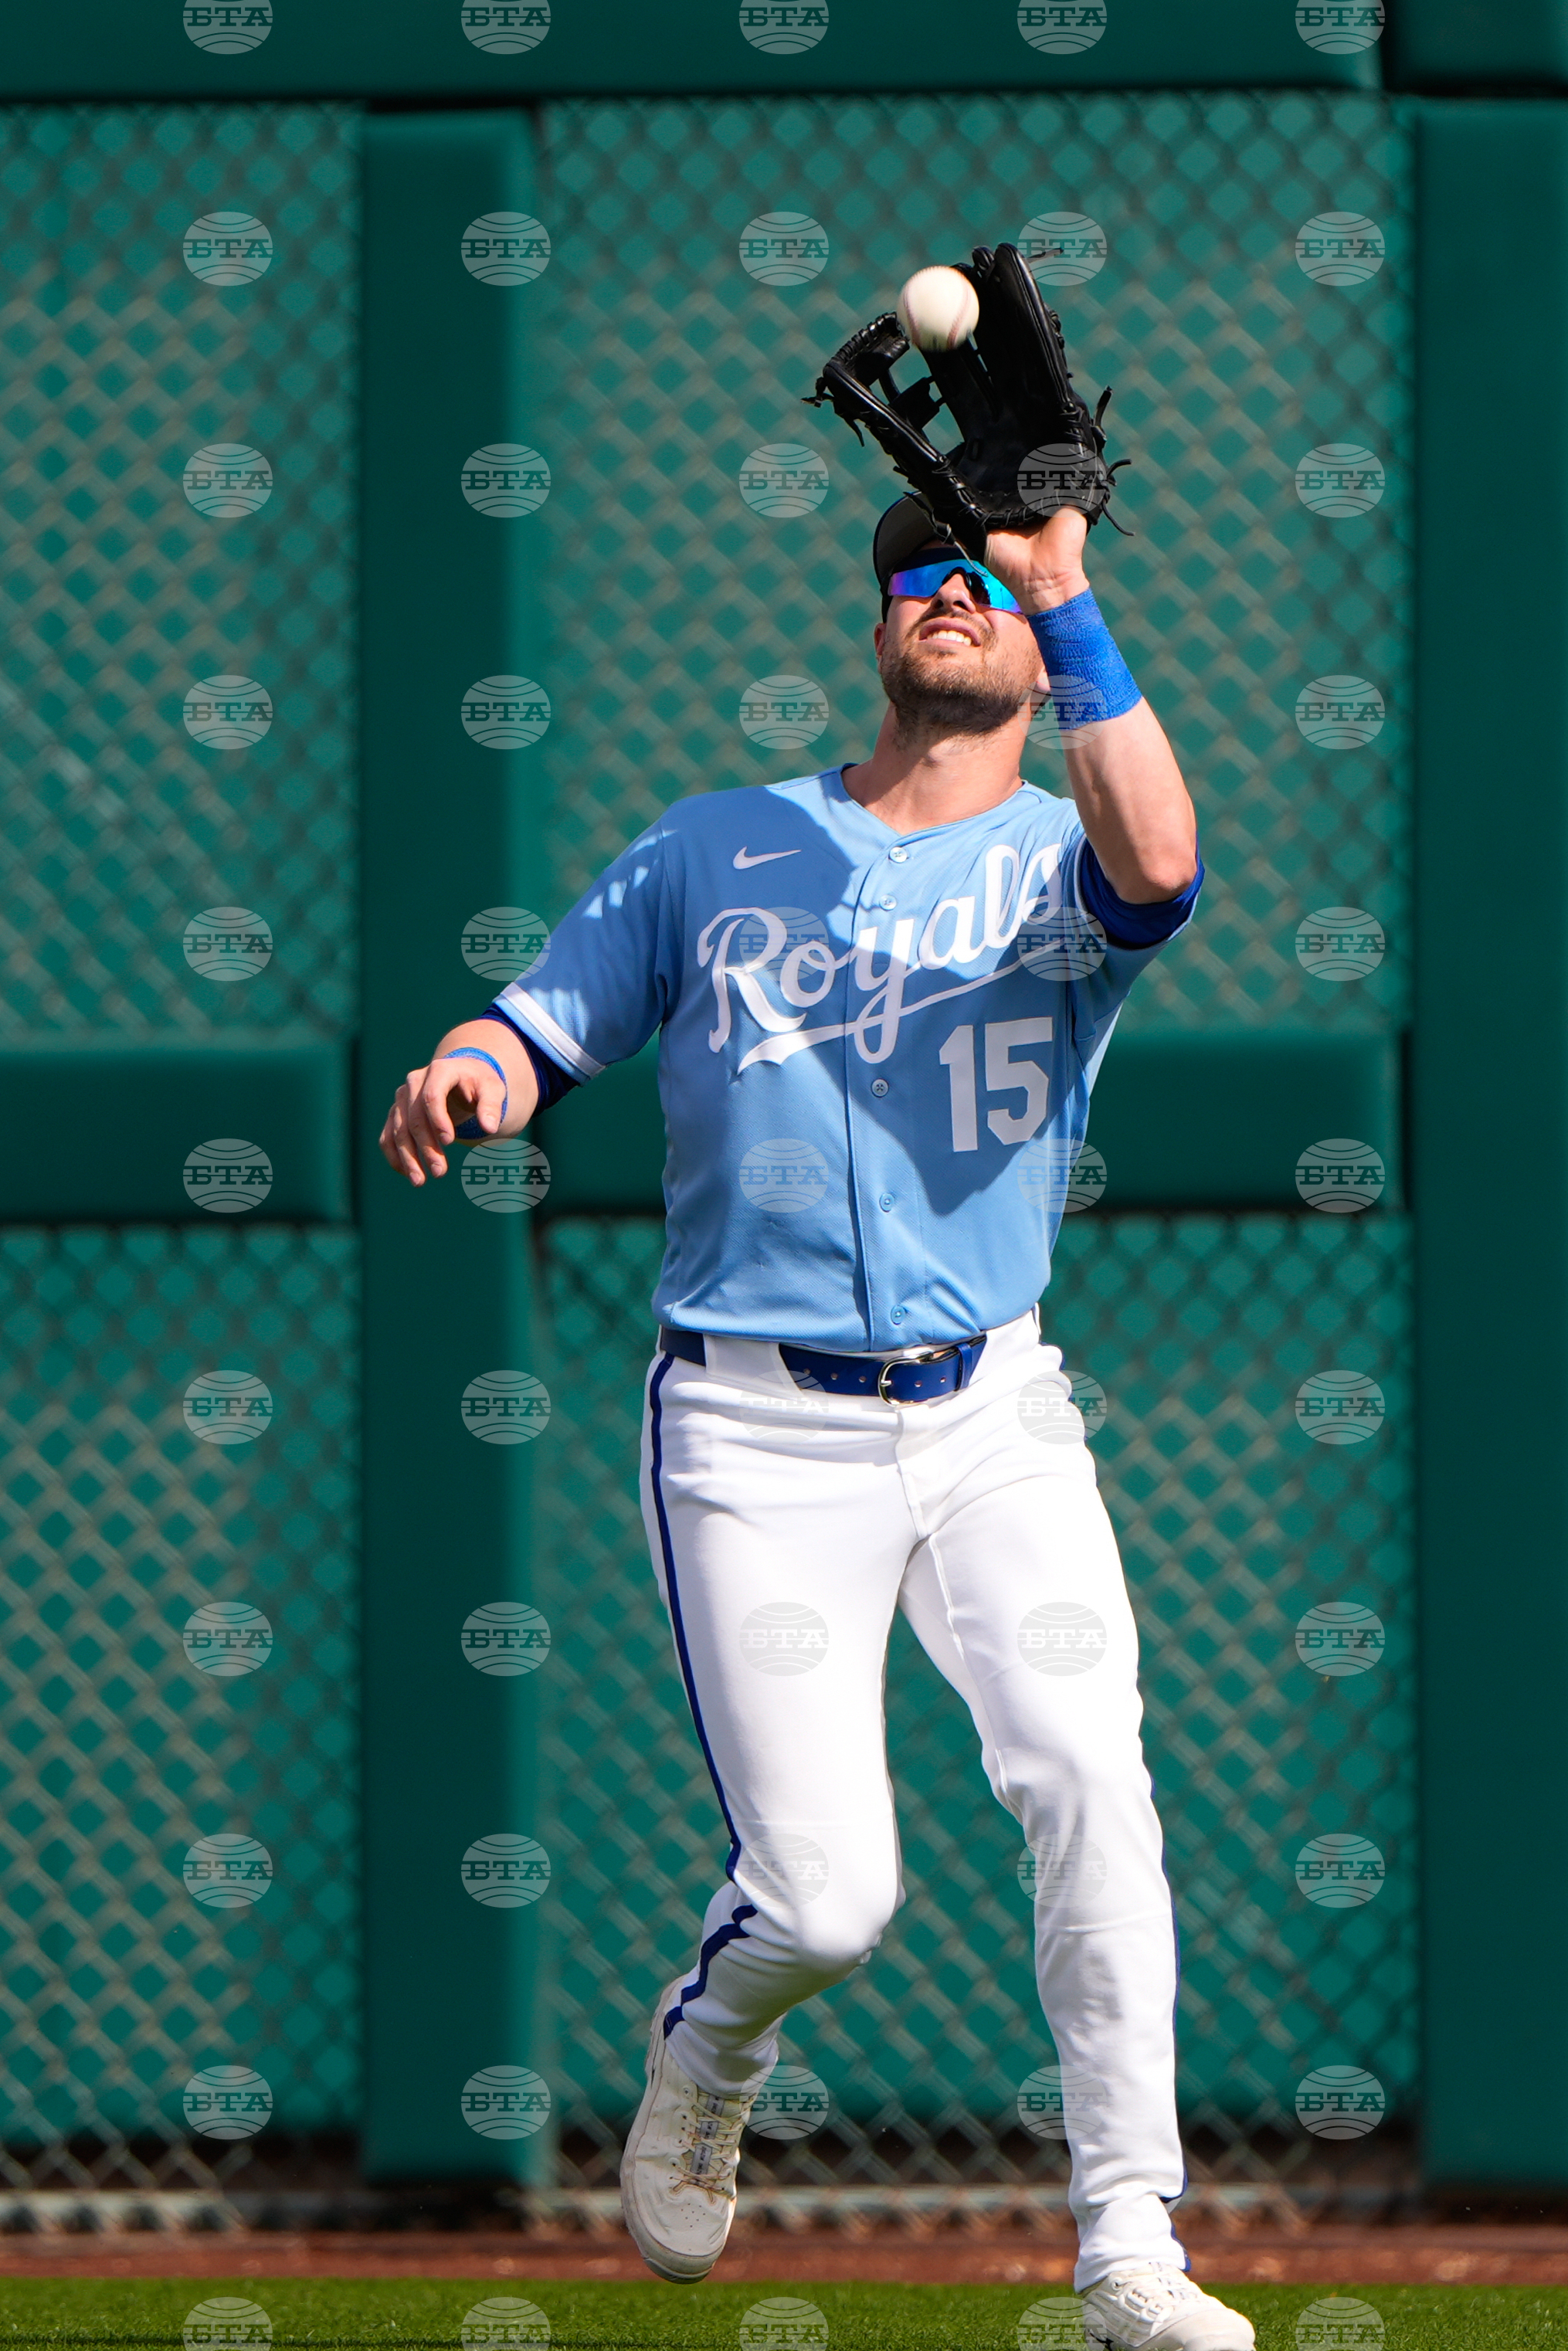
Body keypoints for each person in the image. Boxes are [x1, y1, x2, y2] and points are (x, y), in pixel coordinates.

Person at [380, 493, 1254, 2351]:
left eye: (978, 577)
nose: (943, 592)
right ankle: (713, 2035)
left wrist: (1070, 589)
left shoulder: (1059, 851)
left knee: (1091, 1781)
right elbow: (537, 1024)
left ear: (1036, 644)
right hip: (757, 1433)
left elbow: (1164, 866)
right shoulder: (716, 848)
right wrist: (476, 1069)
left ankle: (1128, 2250)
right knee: (829, 1899)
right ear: (876, 630)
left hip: (993, 1406)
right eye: (911, 575)